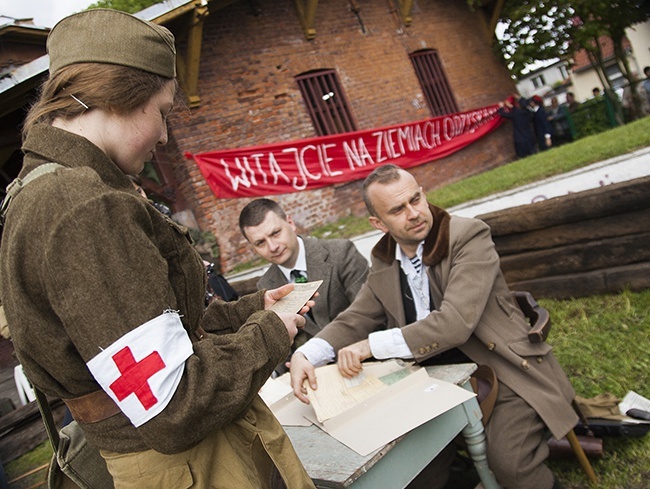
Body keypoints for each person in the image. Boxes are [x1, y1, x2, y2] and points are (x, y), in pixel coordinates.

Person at [0, 9, 315, 489]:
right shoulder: (82, 206)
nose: (165, 135)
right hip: (189, 464)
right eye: (162, 112)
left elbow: (157, 331)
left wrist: (252, 309)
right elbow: (174, 402)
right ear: (117, 96)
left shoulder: (39, 191)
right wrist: (269, 333)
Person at [290, 164, 578, 489]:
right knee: (408, 466)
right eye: (398, 209)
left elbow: (454, 324)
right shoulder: (385, 259)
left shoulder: (468, 235)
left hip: (502, 371)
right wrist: (307, 354)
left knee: (510, 466)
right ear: (378, 223)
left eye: (416, 199)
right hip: (432, 380)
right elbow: (358, 316)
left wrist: (370, 345)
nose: (414, 213)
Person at [239, 198, 369, 372]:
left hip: (364, 359)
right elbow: (278, 346)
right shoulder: (266, 287)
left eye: (276, 233)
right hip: (314, 377)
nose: (273, 247)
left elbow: (366, 315)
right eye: (260, 243)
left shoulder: (342, 253)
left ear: (290, 223)